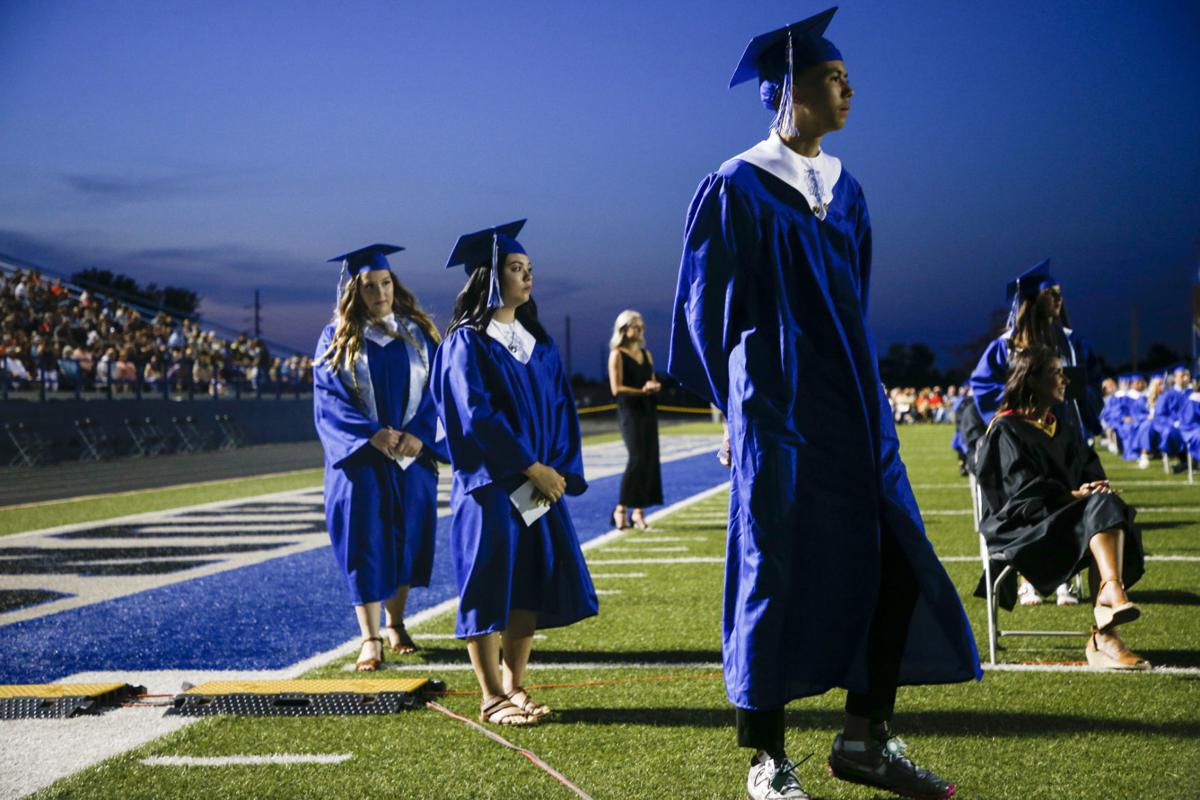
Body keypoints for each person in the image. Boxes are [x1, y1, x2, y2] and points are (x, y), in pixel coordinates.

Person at [667, 10, 979, 799]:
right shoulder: (735, 185)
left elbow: (855, 297)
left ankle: (865, 735)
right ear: (788, 94)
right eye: (834, 78)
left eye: (846, 78)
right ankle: (767, 760)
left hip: (854, 402)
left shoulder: (848, 189)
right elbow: (705, 314)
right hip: (776, 403)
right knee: (772, 566)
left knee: (896, 556)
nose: (849, 89)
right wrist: (735, 410)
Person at [431, 220, 598, 727]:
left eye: (529, 269)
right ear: (489, 277)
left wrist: (558, 472)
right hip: (491, 487)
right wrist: (532, 468)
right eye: (515, 268)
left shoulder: (537, 344)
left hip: (538, 489)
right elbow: (477, 416)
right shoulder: (467, 344)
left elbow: (562, 412)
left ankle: (516, 686)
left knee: (527, 585)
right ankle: (490, 696)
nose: (527, 278)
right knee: (487, 587)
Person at [313, 243, 447, 671]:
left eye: (385, 283)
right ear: (355, 292)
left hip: (410, 456)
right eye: (369, 286)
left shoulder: (419, 335)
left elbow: (441, 394)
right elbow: (328, 399)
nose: (380, 292)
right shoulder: (336, 337)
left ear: (395, 284)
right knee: (365, 542)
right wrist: (371, 434)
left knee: (409, 537)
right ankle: (369, 637)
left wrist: (421, 436)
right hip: (363, 461)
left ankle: (395, 622)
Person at [975, 346, 1148, 670]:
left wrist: (1094, 486)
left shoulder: (1063, 426)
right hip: (1023, 528)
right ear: (1032, 380)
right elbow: (1016, 495)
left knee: (1108, 506)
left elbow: (1089, 468)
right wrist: (1072, 495)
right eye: (1055, 372)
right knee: (1103, 512)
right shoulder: (1005, 429)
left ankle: (1108, 617)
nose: (1064, 379)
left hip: (1069, 520)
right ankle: (1107, 625)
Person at [970, 261, 1102, 605]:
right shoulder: (1005, 346)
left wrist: (1077, 413)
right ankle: (1031, 574)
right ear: (1031, 299)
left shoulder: (1071, 342)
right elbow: (982, 386)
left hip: (1062, 434)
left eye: (1059, 294)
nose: (1058, 299)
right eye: (1049, 294)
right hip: (1022, 440)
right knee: (1030, 497)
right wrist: (1019, 411)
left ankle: (1067, 576)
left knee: (1074, 495)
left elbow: (1085, 387)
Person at [607, 309, 663, 529]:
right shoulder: (617, 354)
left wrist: (655, 386)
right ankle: (620, 509)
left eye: (641, 326)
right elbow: (616, 388)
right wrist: (643, 391)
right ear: (624, 328)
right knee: (637, 458)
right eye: (635, 326)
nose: (640, 330)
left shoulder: (646, 354)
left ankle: (638, 513)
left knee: (650, 460)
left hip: (649, 409)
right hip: (630, 411)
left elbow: (653, 380)